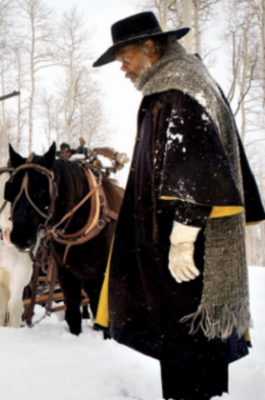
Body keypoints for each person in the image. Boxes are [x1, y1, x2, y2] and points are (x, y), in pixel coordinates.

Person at [93, 12, 265, 400]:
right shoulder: (173, 86)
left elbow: (197, 166)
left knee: (191, 346)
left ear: (150, 47)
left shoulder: (179, 90)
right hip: (172, 247)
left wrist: (183, 238)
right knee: (181, 343)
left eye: (125, 58)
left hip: (187, 251)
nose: (123, 68)